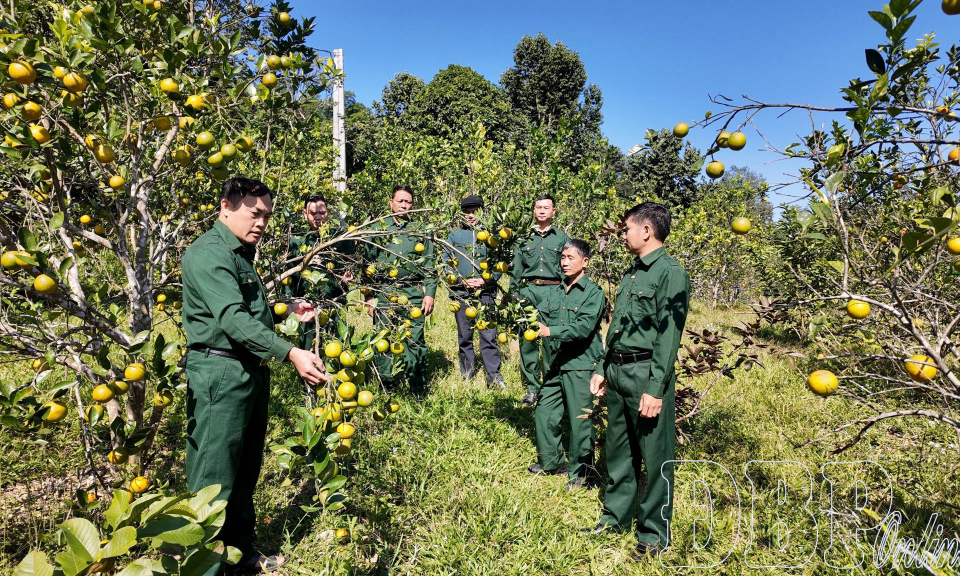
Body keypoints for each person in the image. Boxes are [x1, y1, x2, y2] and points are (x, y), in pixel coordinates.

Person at [182, 177, 329, 575]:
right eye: (254, 213)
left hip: (247, 370)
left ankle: (240, 554)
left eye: (266, 215)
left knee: (245, 470)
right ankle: (206, 567)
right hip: (219, 372)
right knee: (214, 479)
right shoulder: (209, 253)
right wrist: (291, 352)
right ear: (225, 206)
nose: (261, 222)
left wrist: (285, 308)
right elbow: (231, 318)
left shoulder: (240, 252)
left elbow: (246, 307)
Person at [588, 202, 690, 559]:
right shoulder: (632, 272)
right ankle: (615, 517)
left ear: (646, 230)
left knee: (654, 456)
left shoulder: (670, 273)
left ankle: (652, 535)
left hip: (647, 372)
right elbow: (617, 327)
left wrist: (655, 388)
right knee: (618, 451)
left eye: (628, 227)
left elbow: (669, 335)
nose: (624, 234)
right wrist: (602, 367)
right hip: (617, 370)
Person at [530, 239, 605, 489]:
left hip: (581, 364)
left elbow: (583, 328)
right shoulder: (554, 290)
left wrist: (550, 330)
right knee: (545, 412)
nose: (564, 262)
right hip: (556, 363)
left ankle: (582, 475)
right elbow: (537, 317)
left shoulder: (593, 293)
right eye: (562, 257)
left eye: (570, 258)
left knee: (580, 421)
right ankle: (552, 463)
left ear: (585, 262)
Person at [363, 185, 437, 395]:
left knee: (415, 339)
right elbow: (367, 265)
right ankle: (387, 384)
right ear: (391, 202)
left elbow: (430, 265)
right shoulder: (377, 229)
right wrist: (369, 296)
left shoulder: (421, 229)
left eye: (408, 202)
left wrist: (429, 293)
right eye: (400, 201)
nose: (404, 205)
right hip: (385, 292)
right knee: (383, 339)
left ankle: (418, 386)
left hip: (413, 292)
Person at [511, 194, 569, 406]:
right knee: (528, 340)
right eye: (538, 207)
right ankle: (532, 388)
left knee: (551, 341)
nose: (542, 210)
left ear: (554, 211)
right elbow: (516, 269)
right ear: (534, 211)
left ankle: (551, 387)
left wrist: (566, 294)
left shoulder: (562, 238)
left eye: (546, 207)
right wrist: (515, 294)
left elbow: (566, 269)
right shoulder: (523, 238)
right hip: (528, 291)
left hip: (553, 292)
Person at [283, 194, 355, 354]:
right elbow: (289, 276)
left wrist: (348, 275)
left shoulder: (340, 238)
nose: (318, 217)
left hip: (334, 303)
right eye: (313, 213)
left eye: (321, 213)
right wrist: (289, 301)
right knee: (309, 351)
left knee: (336, 350)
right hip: (307, 305)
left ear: (327, 212)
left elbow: (352, 266)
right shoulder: (298, 241)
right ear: (304, 213)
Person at [444, 194, 504, 387]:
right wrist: (461, 280)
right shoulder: (454, 236)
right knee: (465, 336)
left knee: (488, 335)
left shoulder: (491, 236)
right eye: (467, 212)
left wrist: (488, 280)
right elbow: (446, 263)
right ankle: (467, 375)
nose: (470, 216)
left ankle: (493, 377)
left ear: (482, 212)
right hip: (461, 293)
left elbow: (498, 263)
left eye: (474, 211)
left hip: (485, 293)